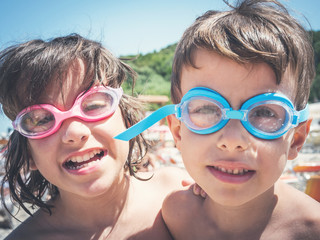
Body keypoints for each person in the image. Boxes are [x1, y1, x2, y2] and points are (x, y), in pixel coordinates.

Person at [115, 0, 320, 239]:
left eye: (264, 112)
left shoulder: (312, 230)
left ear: (296, 138)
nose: (232, 141)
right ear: (178, 131)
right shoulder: (177, 214)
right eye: (207, 110)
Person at [0, 34, 190, 240]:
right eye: (41, 119)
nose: (74, 132)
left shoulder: (180, 192)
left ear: (127, 120)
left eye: (94, 105)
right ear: (28, 153)